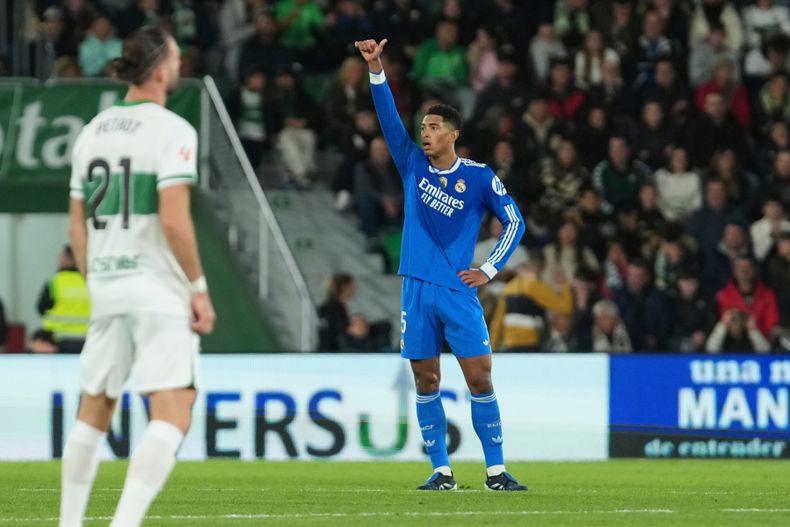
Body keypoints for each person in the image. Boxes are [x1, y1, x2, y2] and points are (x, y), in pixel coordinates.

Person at [60, 27, 216, 527]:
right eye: (175, 59)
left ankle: (69, 522)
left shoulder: (92, 130)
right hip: (157, 288)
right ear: (159, 69)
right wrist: (198, 289)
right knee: (174, 409)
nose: (178, 66)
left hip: (106, 283)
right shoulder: (173, 130)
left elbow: (77, 225)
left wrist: (97, 282)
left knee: (96, 407)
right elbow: (173, 220)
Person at [356, 38, 527, 491]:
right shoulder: (412, 163)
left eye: (433, 127)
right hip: (416, 287)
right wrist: (376, 70)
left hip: (456, 290)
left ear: (453, 133)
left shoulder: (479, 176)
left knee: (480, 375)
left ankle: (495, 470)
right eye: (423, 126)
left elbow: (514, 221)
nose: (424, 132)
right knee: (425, 378)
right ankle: (441, 470)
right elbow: (389, 119)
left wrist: (489, 269)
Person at [490, 253, 574, 353]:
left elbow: (497, 322)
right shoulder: (535, 286)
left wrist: (492, 349)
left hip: (510, 345)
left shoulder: (509, 287)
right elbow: (565, 308)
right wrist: (564, 286)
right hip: (531, 345)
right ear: (540, 269)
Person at [38, 245, 90, 354]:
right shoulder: (89, 282)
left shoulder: (54, 283)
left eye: (61, 257)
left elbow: (40, 309)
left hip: (56, 342)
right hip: (87, 340)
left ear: (68, 259)